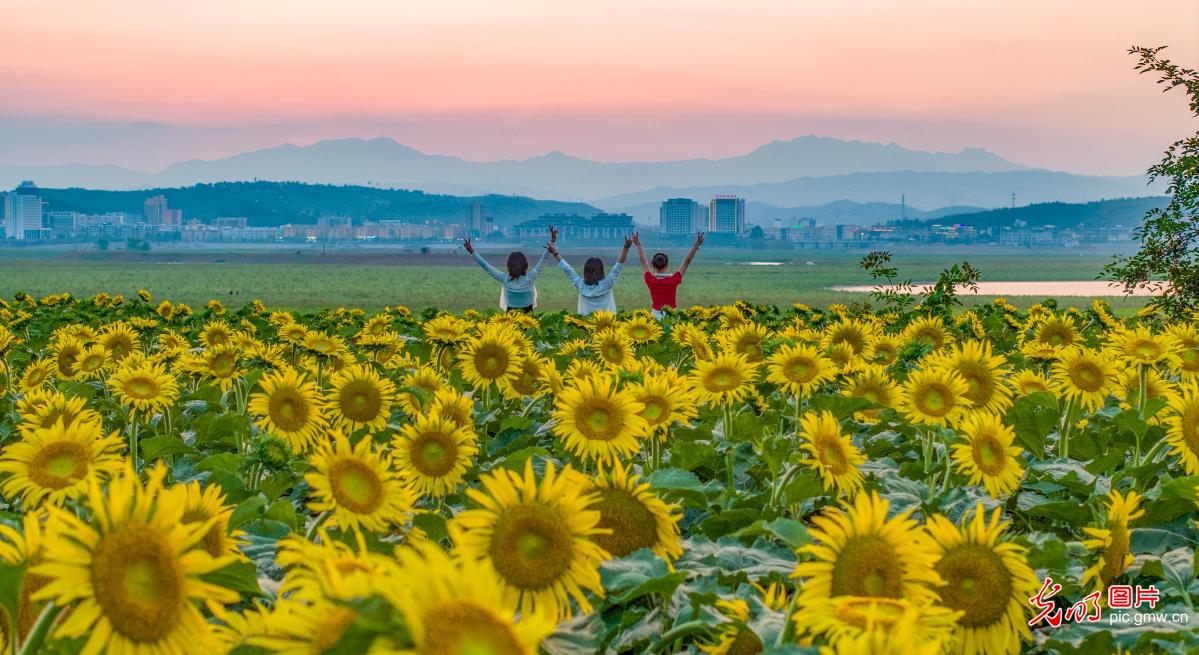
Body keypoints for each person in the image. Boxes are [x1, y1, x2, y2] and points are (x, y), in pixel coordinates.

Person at [463, 226, 557, 312]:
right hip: (529, 319)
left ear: (509, 266)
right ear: (525, 265)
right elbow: (544, 260)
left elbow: (486, 266)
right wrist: (552, 240)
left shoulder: (504, 278)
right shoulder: (531, 277)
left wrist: (471, 251)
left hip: (510, 319)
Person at [545, 235, 631, 315]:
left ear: (585, 271)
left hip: (585, 326)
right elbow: (618, 265)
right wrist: (626, 248)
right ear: (601, 270)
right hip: (607, 326)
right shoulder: (607, 284)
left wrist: (555, 253)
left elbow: (567, 269)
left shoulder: (581, 285)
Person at [633, 232, 704, 317]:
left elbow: (643, 261)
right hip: (672, 316)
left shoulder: (650, 280)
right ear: (667, 265)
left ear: (653, 265)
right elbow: (687, 261)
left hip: (655, 316)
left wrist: (637, 244)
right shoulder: (673, 280)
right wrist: (696, 245)